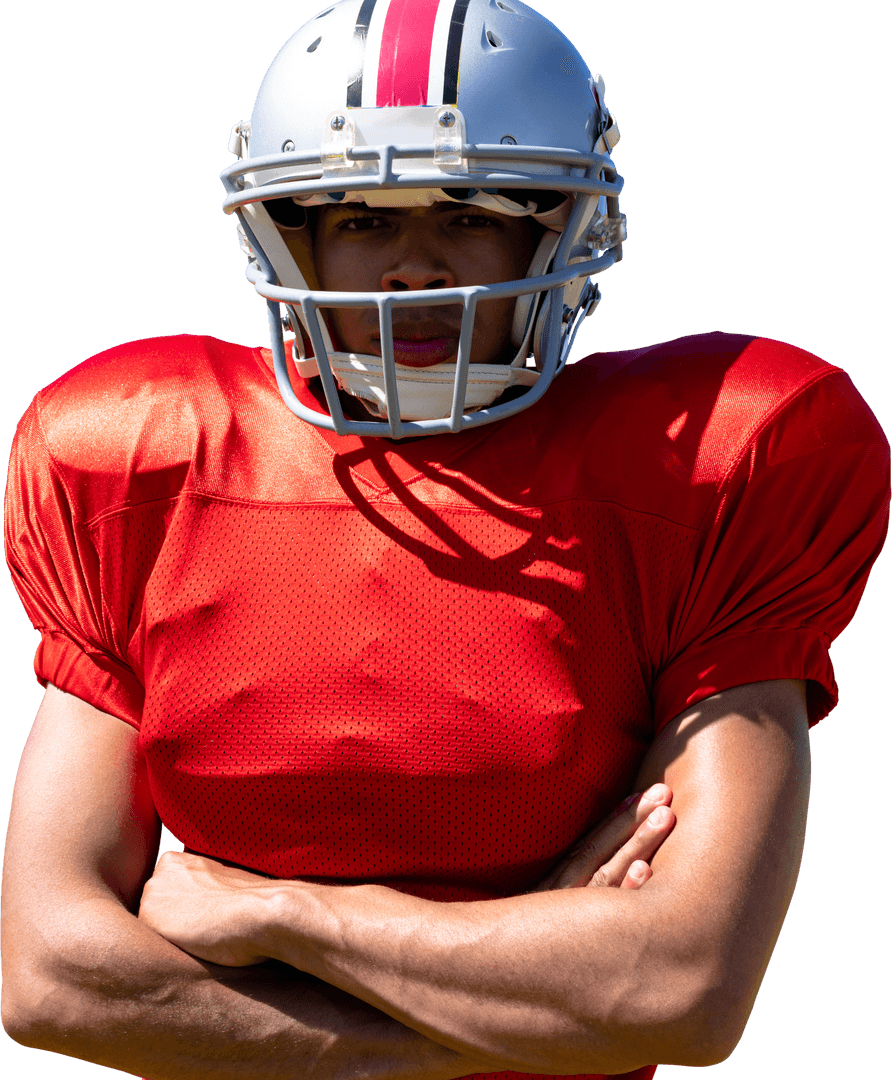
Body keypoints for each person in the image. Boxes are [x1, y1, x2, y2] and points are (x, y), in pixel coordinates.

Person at [1, 2, 888, 1079]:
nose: (414, 269)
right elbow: (51, 979)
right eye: (362, 220)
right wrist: (535, 999)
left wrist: (281, 914)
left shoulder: (714, 457)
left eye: (468, 213)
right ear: (288, 235)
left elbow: (680, 988)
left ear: (559, 228)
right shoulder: (136, 455)